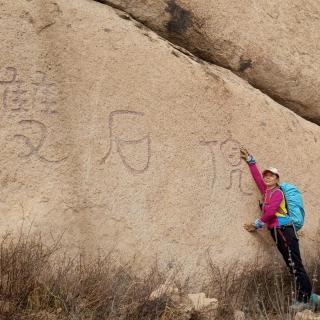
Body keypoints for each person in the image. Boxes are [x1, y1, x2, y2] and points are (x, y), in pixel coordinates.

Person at [240, 147, 319, 312]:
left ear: (277, 179)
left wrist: (257, 224)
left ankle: (305, 299)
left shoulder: (277, 193)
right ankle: (311, 298)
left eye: (271, 176)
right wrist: (251, 162)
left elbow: (269, 212)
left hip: (284, 230)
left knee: (295, 265)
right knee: (292, 265)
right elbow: (257, 179)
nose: (267, 178)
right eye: (266, 175)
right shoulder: (267, 192)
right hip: (278, 231)